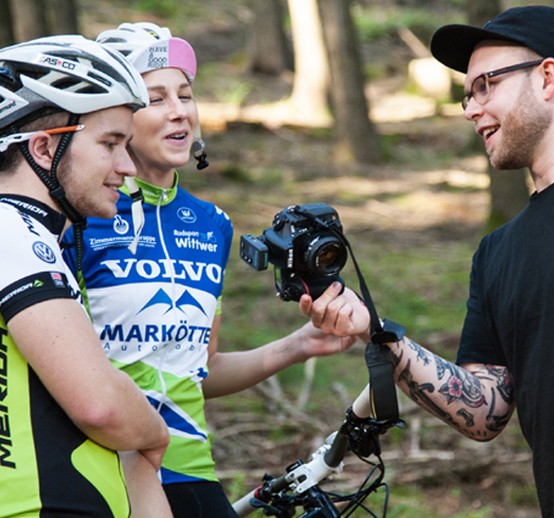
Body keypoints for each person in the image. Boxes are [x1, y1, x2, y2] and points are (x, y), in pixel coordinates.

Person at [302, 5, 554, 517]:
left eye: (486, 84)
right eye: (467, 94)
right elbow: (484, 411)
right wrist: (374, 333)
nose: (470, 108)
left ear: (548, 76)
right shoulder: (496, 251)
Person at [62, 22, 364, 518]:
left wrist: (298, 345)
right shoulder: (78, 219)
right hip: (95, 468)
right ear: (117, 117)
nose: (180, 110)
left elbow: (197, 370)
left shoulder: (211, 225)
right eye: (156, 98)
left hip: (190, 467)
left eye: (185, 94)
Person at [0, 35, 171, 517]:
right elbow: (100, 405)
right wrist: (153, 429)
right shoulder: (10, 230)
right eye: (111, 144)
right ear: (42, 148)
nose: (127, 167)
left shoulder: (29, 235)